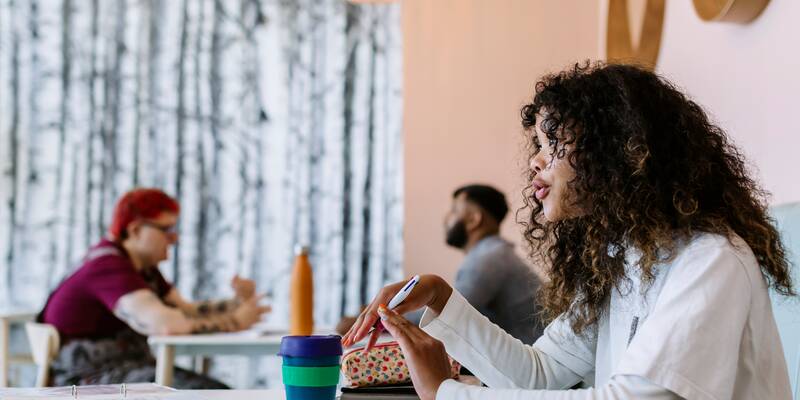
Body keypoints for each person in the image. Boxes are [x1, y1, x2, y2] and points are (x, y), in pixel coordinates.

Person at [343, 63, 795, 399]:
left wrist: (449, 391)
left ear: (620, 150)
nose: (536, 161)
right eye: (538, 144)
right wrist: (442, 298)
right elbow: (540, 374)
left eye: (552, 142)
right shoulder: (623, 260)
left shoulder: (709, 260)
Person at [39, 188, 270, 388]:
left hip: (124, 368)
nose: (174, 238)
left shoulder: (141, 268)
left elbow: (184, 310)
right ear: (136, 230)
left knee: (215, 391)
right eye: (166, 229)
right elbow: (167, 325)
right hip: (85, 380)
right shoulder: (108, 267)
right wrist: (235, 321)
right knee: (211, 393)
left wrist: (236, 304)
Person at [337, 185, 544, 345]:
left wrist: (371, 320)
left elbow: (445, 312)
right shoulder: (492, 254)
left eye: (454, 211)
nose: (446, 219)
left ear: (473, 219)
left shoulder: (490, 259)